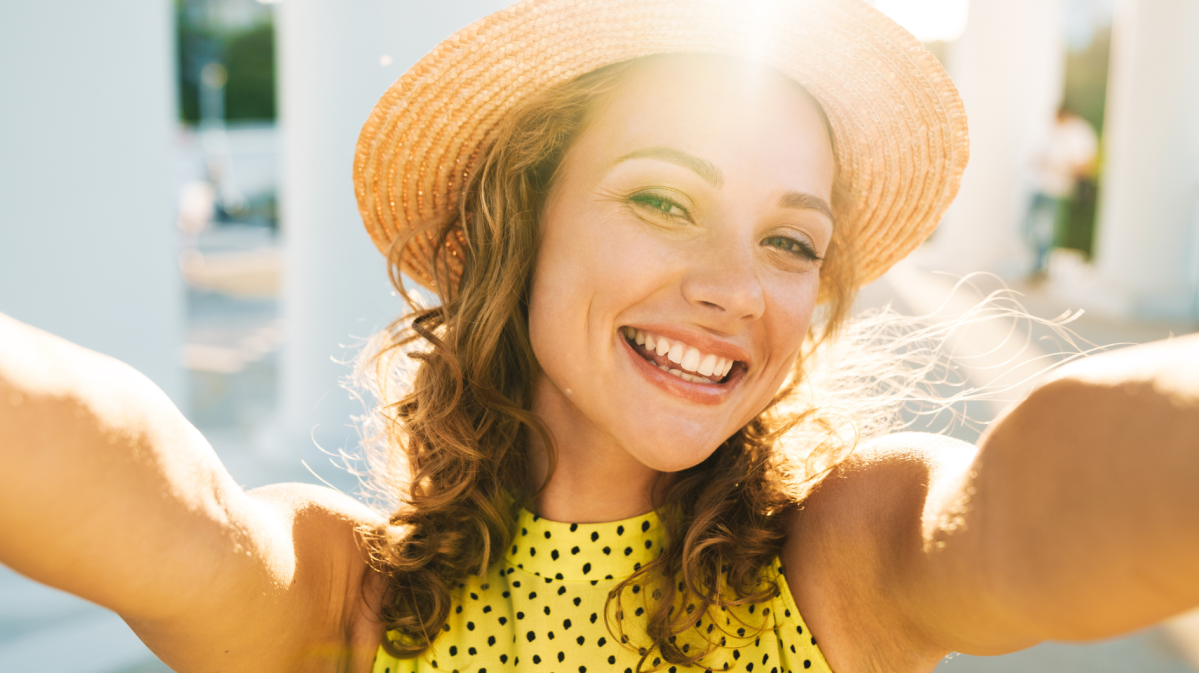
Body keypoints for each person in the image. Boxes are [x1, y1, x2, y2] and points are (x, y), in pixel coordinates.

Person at [1, 1, 1197, 672]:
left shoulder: (839, 559)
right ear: (508, 232)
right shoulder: (344, 597)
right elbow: (142, 487)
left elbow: (1029, 496)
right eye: (662, 200)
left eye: (790, 242)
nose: (738, 288)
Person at [1025, 106, 1099, 278]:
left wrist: (1060, 166)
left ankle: (1041, 267)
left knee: (1048, 229)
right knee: (1029, 227)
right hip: (1040, 184)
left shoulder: (1080, 133)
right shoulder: (1054, 133)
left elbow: (1084, 166)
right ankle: (1036, 263)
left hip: (1058, 189)